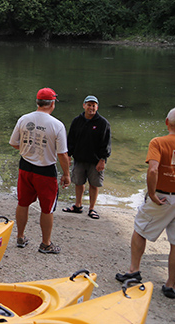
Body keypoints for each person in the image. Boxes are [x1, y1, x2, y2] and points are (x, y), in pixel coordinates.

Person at [115, 107, 175, 300]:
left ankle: (134, 270)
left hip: (163, 197)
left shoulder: (158, 142)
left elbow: (153, 170)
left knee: (140, 229)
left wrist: (151, 194)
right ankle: (170, 285)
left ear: (167, 122)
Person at [9, 87, 71, 254]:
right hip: (45, 170)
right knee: (47, 208)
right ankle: (45, 244)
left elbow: (14, 143)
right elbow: (62, 154)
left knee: (22, 202)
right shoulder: (57, 125)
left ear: (37, 102)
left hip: (25, 166)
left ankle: (20, 237)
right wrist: (66, 174)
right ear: (52, 103)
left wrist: (28, 148)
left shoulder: (24, 119)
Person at [62, 95, 111, 219]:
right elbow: (71, 139)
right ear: (84, 106)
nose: (91, 108)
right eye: (89, 105)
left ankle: (92, 208)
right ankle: (78, 205)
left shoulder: (103, 123)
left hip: (95, 160)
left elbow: (106, 143)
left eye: (93, 105)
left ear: (97, 107)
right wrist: (68, 155)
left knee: (94, 184)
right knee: (78, 182)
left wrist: (103, 159)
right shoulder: (77, 121)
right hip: (79, 158)